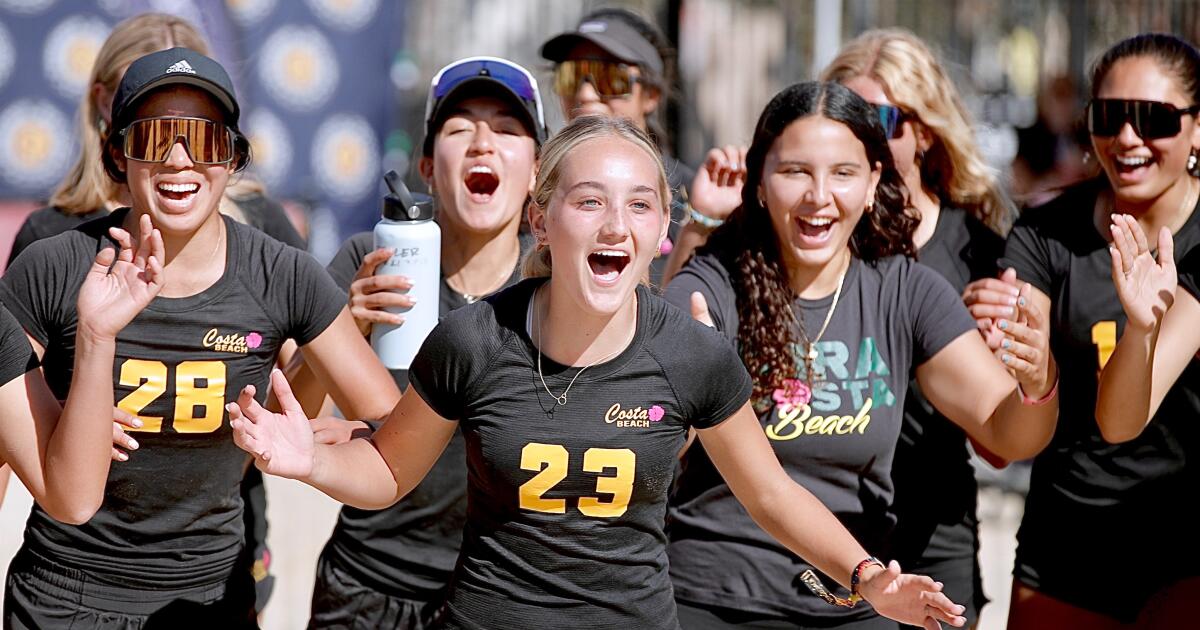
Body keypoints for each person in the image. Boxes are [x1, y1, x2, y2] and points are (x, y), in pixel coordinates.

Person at [228, 115, 969, 630]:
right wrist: (310, 459)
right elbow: (388, 473)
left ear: (659, 233)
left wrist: (870, 577)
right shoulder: (472, 340)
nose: (616, 224)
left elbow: (772, 495)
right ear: (541, 221)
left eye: (639, 206)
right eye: (589, 202)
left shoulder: (692, 355)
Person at [0, 47, 397, 628]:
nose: (180, 160)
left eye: (205, 139)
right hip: (66, 595)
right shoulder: (55, 266)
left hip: (210, 596)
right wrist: (60, 420)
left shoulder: (282, 273)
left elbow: (390, 423)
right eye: (157, 137)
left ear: (233, 157)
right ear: (118, 153)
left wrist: (318, 449)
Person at [662, 81, 1057, 630]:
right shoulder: (711, 286)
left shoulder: (906, 292)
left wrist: (1038, 380)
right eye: (795, 171)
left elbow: (1007, 433)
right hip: (717, 595)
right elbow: (660, 442)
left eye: (842, 173)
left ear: (873, 182)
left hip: (856, 598)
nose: (818, 195)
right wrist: (687, 381)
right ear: (758, 183)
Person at [963, 32, 1200, 630]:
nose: (1127, 138)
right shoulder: (1047, 233)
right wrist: (1013, 355)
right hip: (1067, 547)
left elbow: (1124, 417)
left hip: (1186, 555)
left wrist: (1142, 329)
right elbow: (1003, 435)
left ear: (1198, 129)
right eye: (1110, 115)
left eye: (1156, 120)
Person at [300, 56, 545, 629]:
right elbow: (297, 413)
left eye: (508, 130)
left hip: (498, 596)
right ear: (429, 167)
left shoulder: (556, 286)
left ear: (537, 169)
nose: (483, 142)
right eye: (460, 129)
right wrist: (343, 327)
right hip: (366, 586)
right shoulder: (372, 261)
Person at [820, 29, 1011, 628]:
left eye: (879, 118)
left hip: (933, 528)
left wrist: (1008, 357)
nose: (860, 134)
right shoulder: (818, 232)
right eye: (843, 115)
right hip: (825, 526)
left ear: (924, 130)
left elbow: (999, 441)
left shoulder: (980, 247)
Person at [0, 213, 163, 524]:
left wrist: (96, 335)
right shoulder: (48, 249)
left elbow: (72, 502)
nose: (180, 165)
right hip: (59, 564)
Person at [541, 8, 695, 288]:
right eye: (571, 76)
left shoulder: (694, 199)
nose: (585, 94)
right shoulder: (535, 186)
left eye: (611, 78)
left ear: (651, 95)